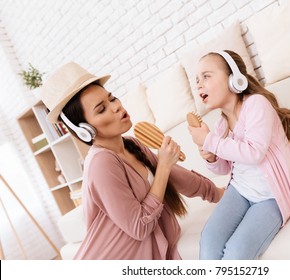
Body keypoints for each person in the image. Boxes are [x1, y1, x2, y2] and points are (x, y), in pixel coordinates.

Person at [40, 62, 223, 260]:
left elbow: (177, 176)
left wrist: (218, 193)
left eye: (112, 99)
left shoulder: (131, 144)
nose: (116, 107)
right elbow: (139, 226)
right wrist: (163, 166)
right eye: (102, 109)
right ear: (85, 130)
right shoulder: (101, 164)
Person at [188, 50, 290, 260]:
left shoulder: (256, 104)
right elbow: (225, 168)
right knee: (208, 240)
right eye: (197, 80)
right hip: (239, 191)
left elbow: (254, 152)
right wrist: (211, 156)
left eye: (206, 76)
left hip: (270, 198)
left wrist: (210, 141)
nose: (199, 84)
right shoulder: (221, 125)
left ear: (234, 79)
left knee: (236, 253)